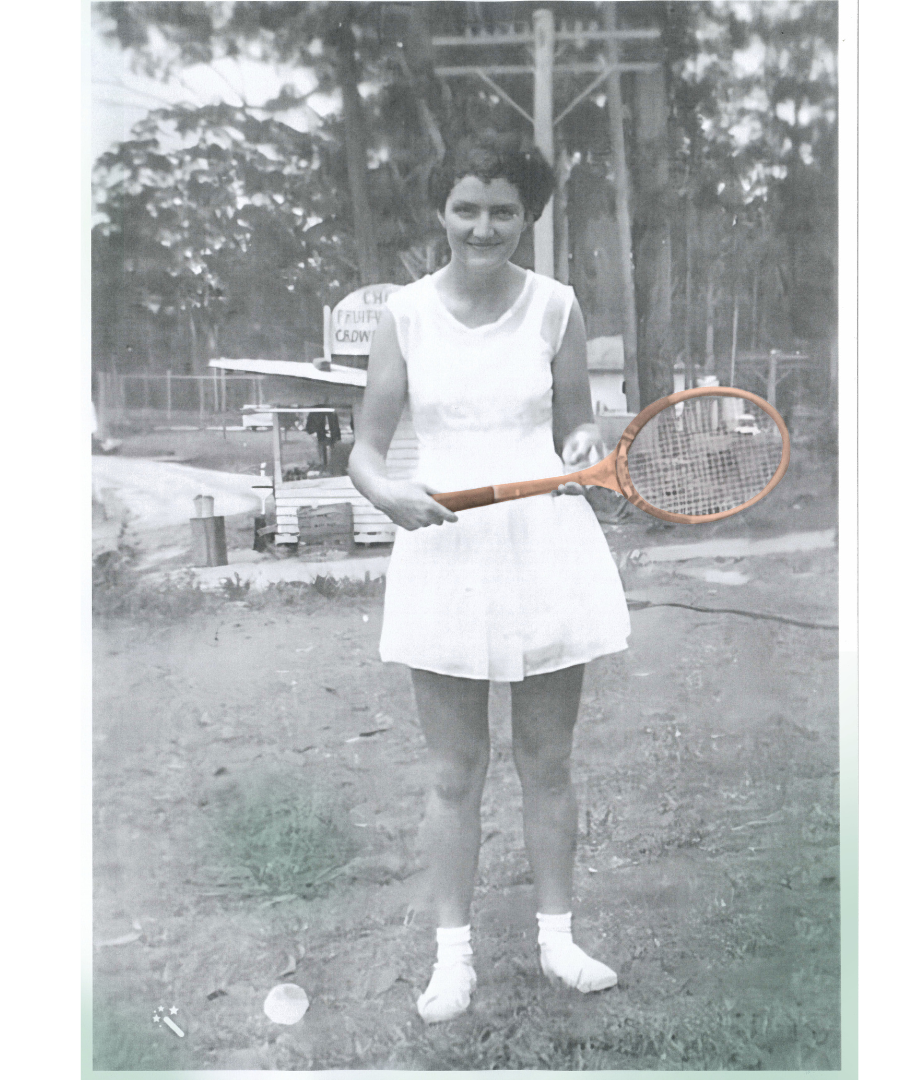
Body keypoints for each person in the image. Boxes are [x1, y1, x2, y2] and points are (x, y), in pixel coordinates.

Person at [348, 132, 631, 1024]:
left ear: (529, 216)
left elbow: (578, 427)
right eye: (466, 208)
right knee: (452, 773)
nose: (483, 226)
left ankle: (558, 941)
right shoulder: (405, 316)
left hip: (546, 544)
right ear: (442, 212)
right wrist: (391, 496)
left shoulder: (556, 307)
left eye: (503, 210)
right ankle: (452, 960)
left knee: (547, 764)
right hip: (443, 550)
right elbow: (365, 450)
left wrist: (584, 449)